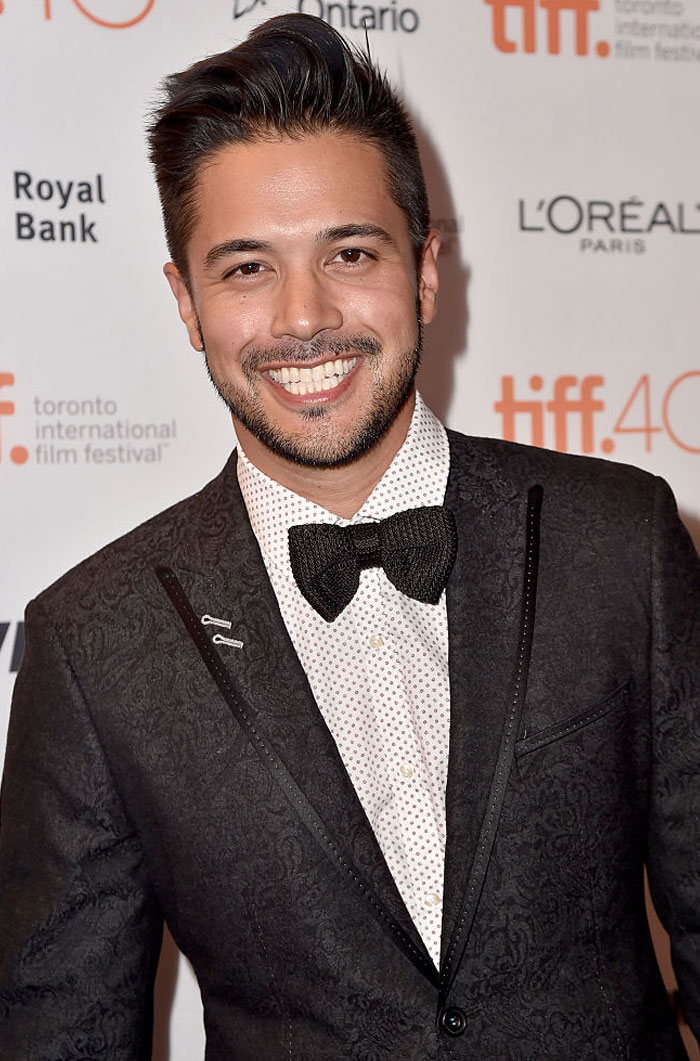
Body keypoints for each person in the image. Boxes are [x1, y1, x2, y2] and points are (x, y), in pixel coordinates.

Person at [0, 12, 698, 1059]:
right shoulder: (95, 640)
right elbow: (63, 1035)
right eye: (246, 268)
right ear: (186, 302)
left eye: (350, 252)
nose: (303, 317)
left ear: (424, 268)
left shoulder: (620, 541)